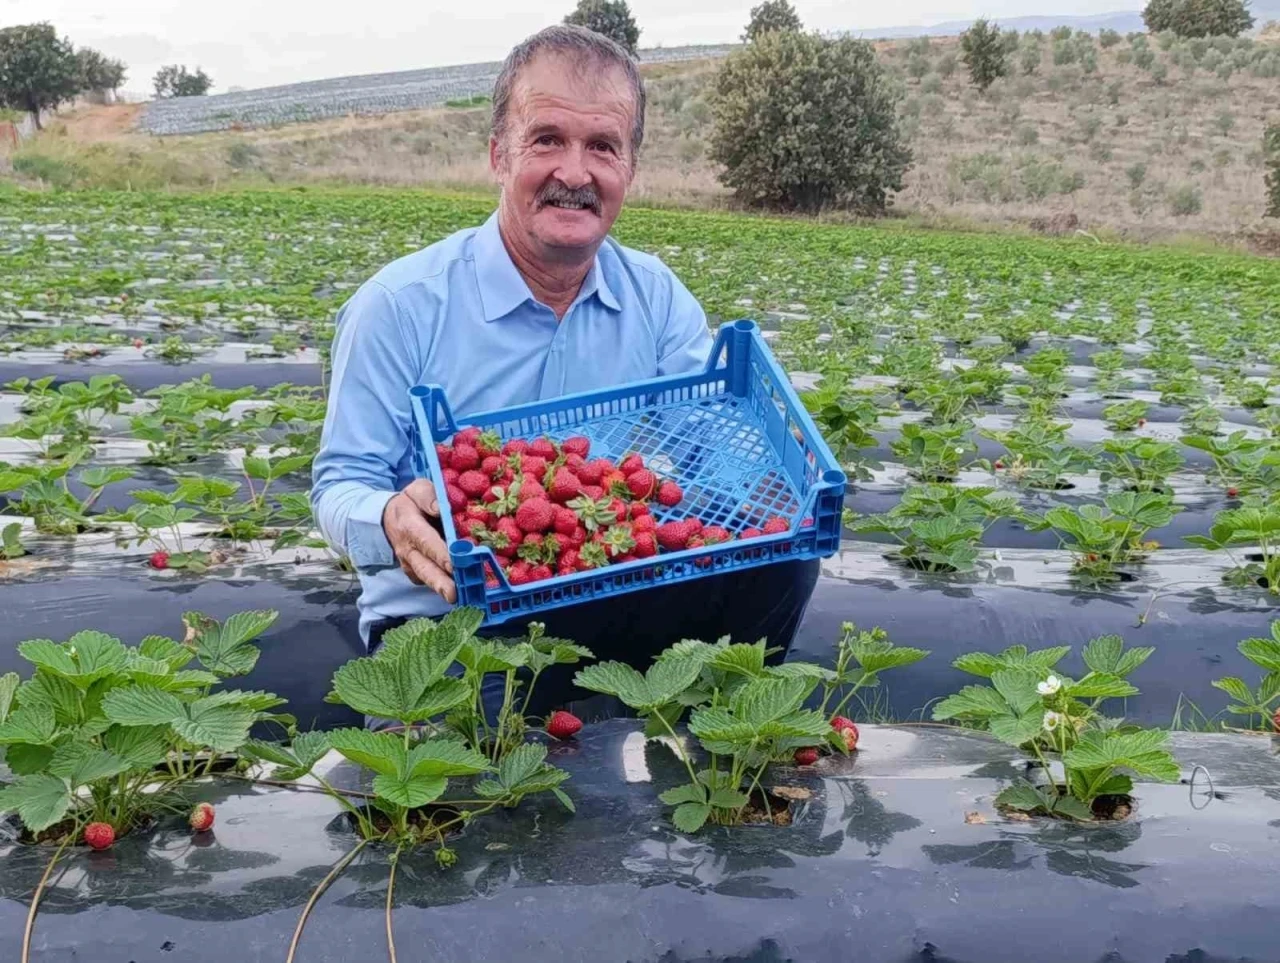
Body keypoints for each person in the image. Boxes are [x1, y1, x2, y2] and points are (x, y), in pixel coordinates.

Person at [311, 25, 819, 712]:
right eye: (547, 139)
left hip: (611, 584)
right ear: (499, 154)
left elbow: (713, 443)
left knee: (786, 558)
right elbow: (341, 483)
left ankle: (731, 733)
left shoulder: (655, 295)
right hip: (453, 622)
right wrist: (390, 516)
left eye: (602, 146)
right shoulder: (399, 307)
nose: (575, 174)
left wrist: (771, 485)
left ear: (629, 169)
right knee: (486, 744)